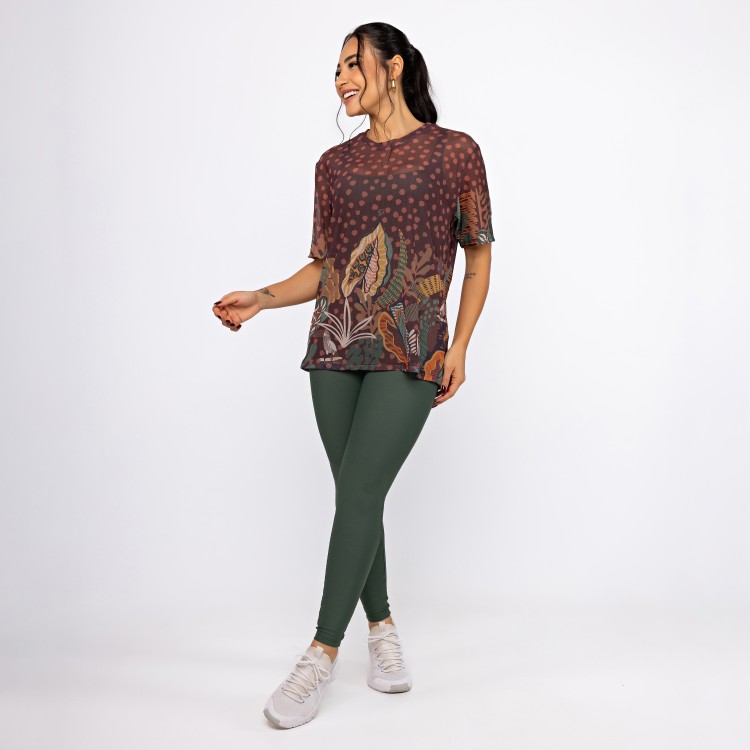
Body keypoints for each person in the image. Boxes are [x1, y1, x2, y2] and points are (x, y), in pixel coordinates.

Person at [212, 22, 494, 730]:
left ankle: (320, 654)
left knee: (361, 491)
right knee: (356, 498)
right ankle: (383, 628)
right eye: (336, 69)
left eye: (352, 64)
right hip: (334, 349)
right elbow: (326, 266)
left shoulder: (455, 152)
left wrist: (459, 345)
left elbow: (478, 253)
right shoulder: (333, 165)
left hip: (412, 348)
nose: (340, 79)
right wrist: (263, 297)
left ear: (392, 67)